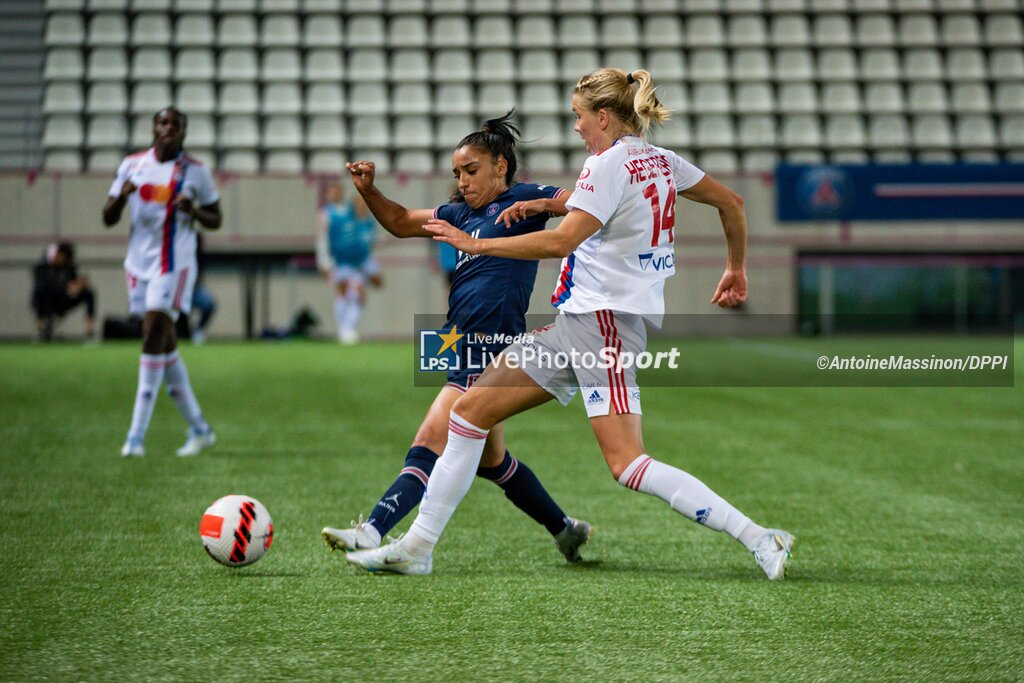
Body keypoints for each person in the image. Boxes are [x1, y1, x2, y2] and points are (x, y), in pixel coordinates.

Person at [346, 70, 796, 579]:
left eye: (579, 115)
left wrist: (475, 243)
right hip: (578, 324)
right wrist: (735, 267)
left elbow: (561, 242)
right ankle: (418, 547)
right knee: (468, 414)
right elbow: (731, 203)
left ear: (602, 117)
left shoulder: (604, 165)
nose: (576, 126)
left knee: (627, 464)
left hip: (603, 326)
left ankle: (760, 536)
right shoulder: (662, 161)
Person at [321, 111, 592, 571]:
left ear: (500, 167)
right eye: (457, 174)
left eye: (471, 171)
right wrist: (369, 191)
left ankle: (373, 528)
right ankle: (565, 529)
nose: (462, 181)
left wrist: (545, 206)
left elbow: (581, 202)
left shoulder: (523, 198)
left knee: (430, 437)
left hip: (495, 340)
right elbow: (404, 220)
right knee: (492, 461)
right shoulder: (458, 212)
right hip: (459, 338)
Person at [102, 107, 222, 458]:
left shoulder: (195, 171)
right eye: (163, 123)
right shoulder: (132, 166)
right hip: (138, 265)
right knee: (164, 344)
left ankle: (135, 437)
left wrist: (195, 211)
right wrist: (122, 195)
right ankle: (200, 428)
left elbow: (216, 217)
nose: (169, 128)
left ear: (183, 132)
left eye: (175, 124)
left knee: (153, 331)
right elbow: (108, 217)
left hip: (175, 264)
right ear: (154, 128)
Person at [316, 180, 382, 344]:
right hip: (340, 261)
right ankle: (345, 329)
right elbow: (325, 240)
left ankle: (346, 329)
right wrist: (324, 262)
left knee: (357, 294)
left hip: (358, 261)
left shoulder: (354, 216)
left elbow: (366, 236)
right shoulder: (329, 214)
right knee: (346, 292)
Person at [31, 241, 96, 341]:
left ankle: (89, 332)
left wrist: (78, 285)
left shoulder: (69, 266)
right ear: (57, 254)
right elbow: (42, 287)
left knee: (89, 294)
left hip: (63, 300)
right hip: (46, 301)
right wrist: (65, 288)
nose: (65, 259)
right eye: (64, 256)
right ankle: (40, 329)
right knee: (40, 290)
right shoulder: (42, 267)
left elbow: (73, 283)